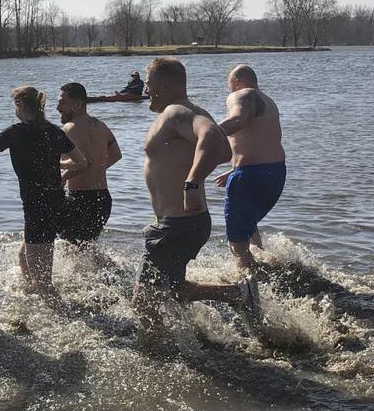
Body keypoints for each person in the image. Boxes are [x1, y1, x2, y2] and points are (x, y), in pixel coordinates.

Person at [134, 58, 261, 348]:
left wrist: (191, 183)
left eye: (149, 83)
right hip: (179, 222)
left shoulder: (178, 111)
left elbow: (217, 142)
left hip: (179, 224)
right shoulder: (178, 113)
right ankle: (237, 293)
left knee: (143, 300)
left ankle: (155, 358)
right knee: (174, 289)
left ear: (166, 85)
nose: (146, 90)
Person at [0, 86, 87, 296]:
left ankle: (56, 316)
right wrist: (58, 169)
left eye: (15, 105)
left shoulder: (16, 132)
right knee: (24, 257)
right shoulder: (54, 131)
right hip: (56, 201)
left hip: (36, 205)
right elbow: (81, 162)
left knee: (43, 282)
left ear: (20, 105)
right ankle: (32, 299)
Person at [214, 64, 286, 269]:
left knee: (236, 243)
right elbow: (264, 141)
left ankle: (249, 287)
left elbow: (238, 119)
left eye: (230, 86)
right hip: (276, 173)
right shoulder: (269, 102)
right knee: (249, 220)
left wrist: (206, 134)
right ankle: (262, 260)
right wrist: (233, 170)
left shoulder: (240, 95)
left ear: (237, 82)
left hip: (251, 176)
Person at [56, 82, 122, 250]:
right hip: (103, 199)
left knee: (72, 247)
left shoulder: (69, 128)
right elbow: (116, 154)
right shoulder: (101, 125)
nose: (57, 107)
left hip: (81, 199)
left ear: (78, 104)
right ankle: (110, 273)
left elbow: (80, 163)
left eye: (62, 102)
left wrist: (60, 169)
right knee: (81, 247)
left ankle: (116, 273)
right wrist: (97, 169)